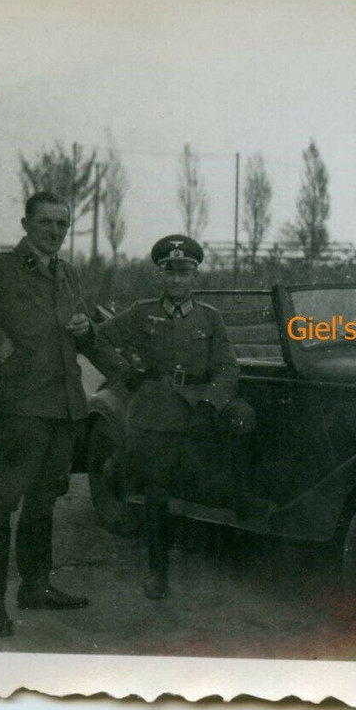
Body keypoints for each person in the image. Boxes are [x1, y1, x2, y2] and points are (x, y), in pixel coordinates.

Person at [0, 192, 127, 638]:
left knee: (44, 498)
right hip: (16, 408)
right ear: (25, 224)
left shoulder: (68, 274)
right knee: (2, 498)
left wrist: (103, 349)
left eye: (62, 224)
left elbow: (82, 334)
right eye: (45, 223)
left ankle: (35, 587)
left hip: (63, 409)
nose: (54, 232)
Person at [93, 235, 239, 600]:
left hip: (195, 415)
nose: (176, 280)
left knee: (202, 487)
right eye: (169, 272)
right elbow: (98, 339)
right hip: (154, 413)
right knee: (156, 493)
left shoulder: (210, 318)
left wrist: (210, 403)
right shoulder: (142, 313)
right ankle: (158, 572)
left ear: (195, 277)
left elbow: (228, 368)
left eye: (184, 272)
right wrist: (125, 373)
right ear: (160, 276)